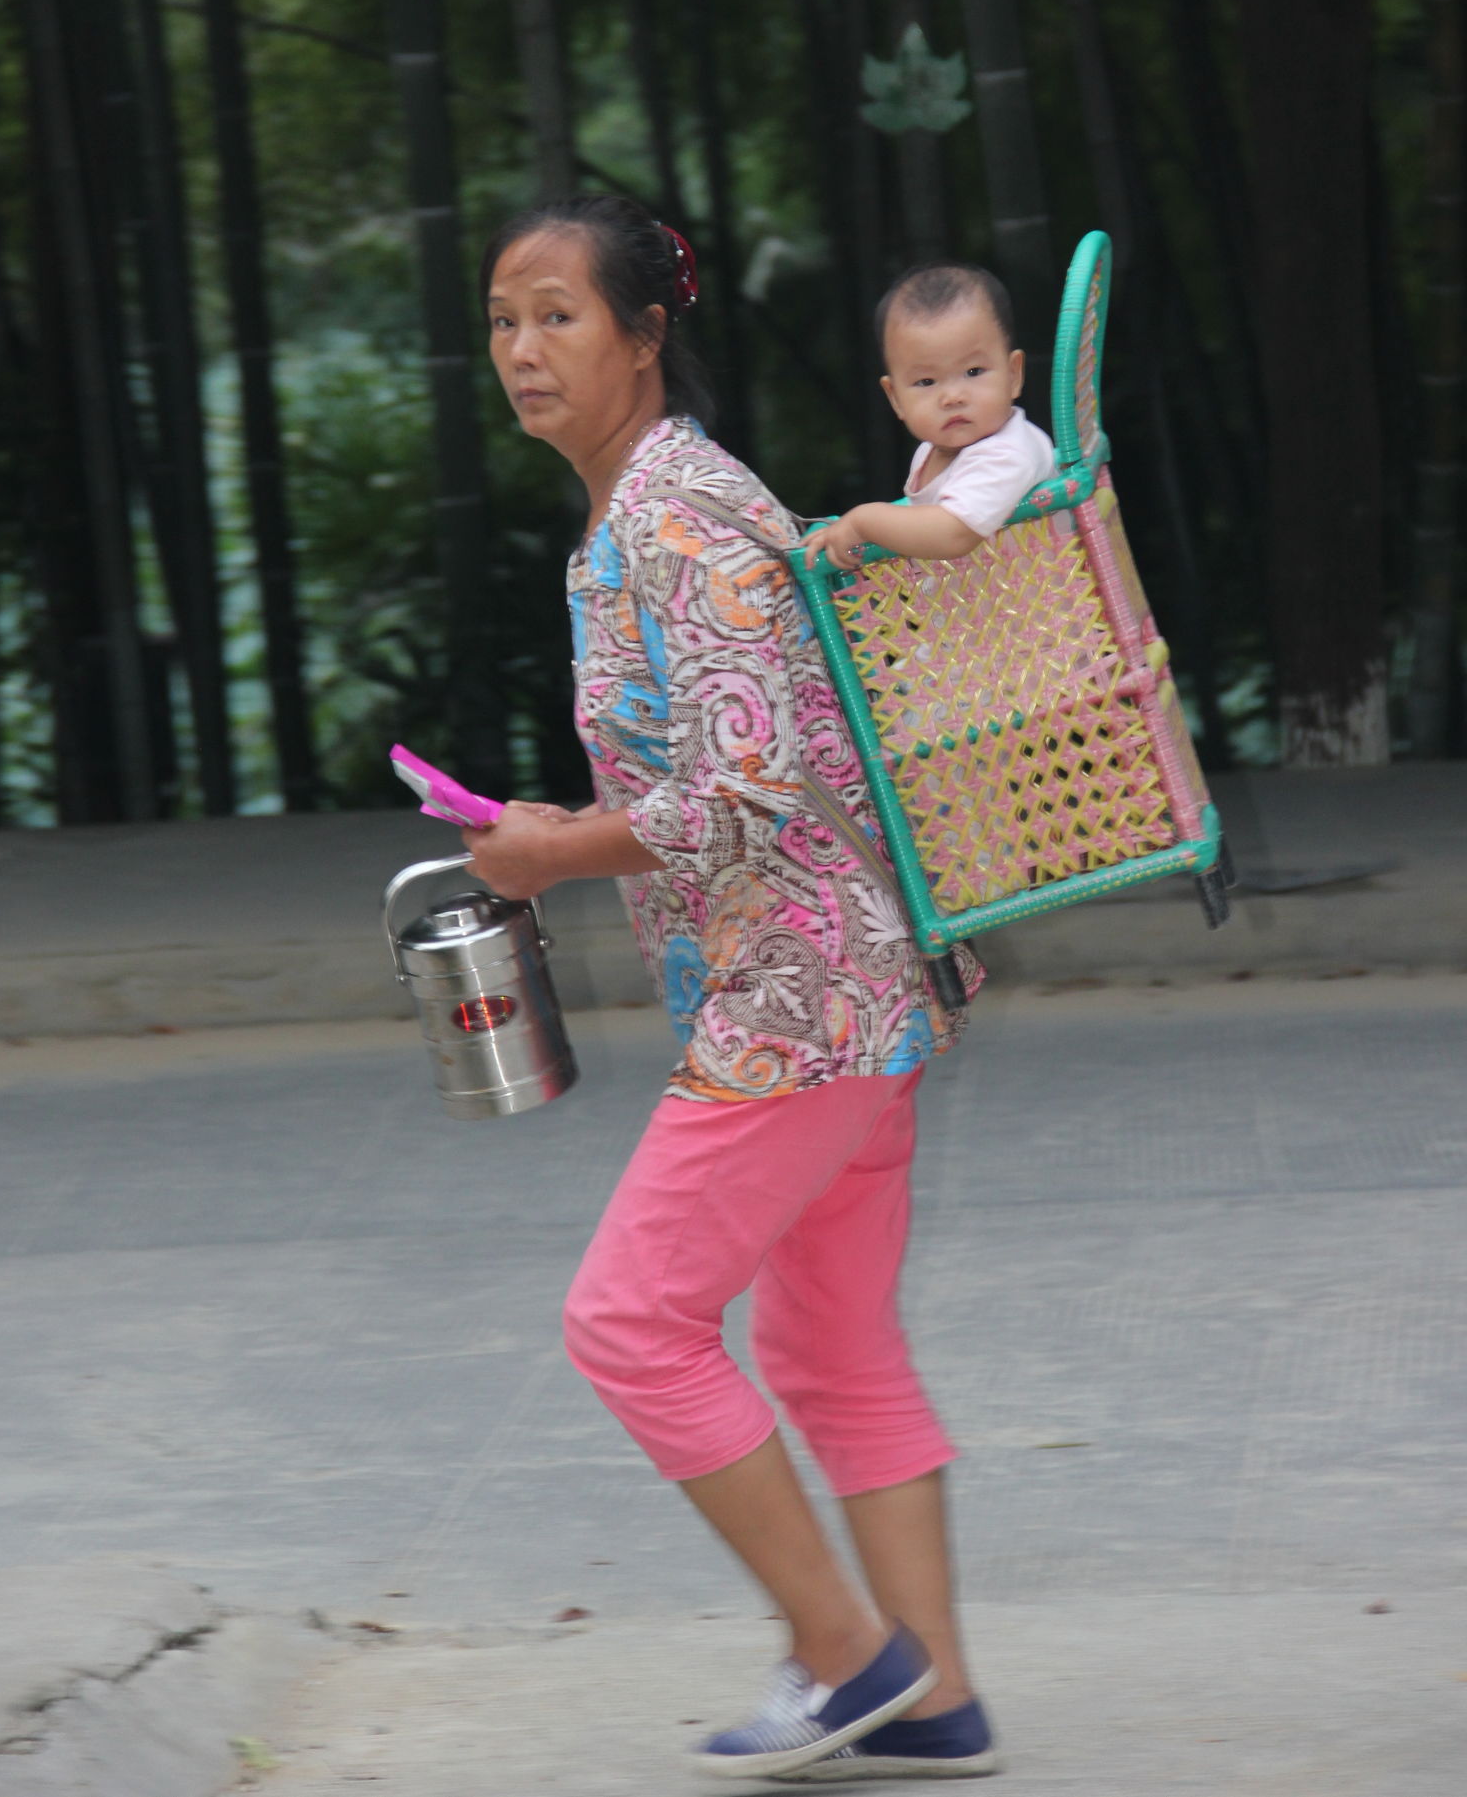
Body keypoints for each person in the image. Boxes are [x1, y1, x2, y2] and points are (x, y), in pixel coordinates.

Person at [461, 193, 999, 1782]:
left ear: (644, 333)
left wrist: (561, 852)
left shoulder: (677, 511)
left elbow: (747, 788)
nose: (523, 347)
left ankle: (848, 1654)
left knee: (629, 1322)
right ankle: (939, 1700)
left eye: (559, 313)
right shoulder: (639, 506)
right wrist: (570, 837)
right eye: (503, 317)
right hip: (850, 985)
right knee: (833, 1348)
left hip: (801, 995)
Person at [802, 264, 1055, 577]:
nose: (952, 397)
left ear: (1014, 374)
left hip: (1044, 620)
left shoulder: (1009, 452)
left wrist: (862, 522)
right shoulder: (930, 452)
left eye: (973, 372)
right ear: (895, 398)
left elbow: (952, 533)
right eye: (926, 382)